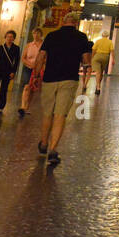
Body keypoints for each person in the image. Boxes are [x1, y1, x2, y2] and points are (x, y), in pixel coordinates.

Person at [35, 13, 92, 166]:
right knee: (60, 115)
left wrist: (35, 75)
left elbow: (41, 56)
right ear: (76, 23)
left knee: (47, 113)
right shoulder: (81, 37)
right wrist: (85, 71)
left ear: (64, 21)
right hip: (69, 79)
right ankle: (53, 149)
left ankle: (44, 143)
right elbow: (86, 61)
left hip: (49, 78)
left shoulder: (52, 36)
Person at [19, 27, 43, 116]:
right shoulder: (29, 45)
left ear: (41, 35)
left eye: (37, 33)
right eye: (34, 33)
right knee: (26, 86)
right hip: (28, 68)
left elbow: (45, 58)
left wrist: (38, 66)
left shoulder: (43, 45)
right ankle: (22, 106)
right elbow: (23, 58)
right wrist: (30, 64)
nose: (36, 35)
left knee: (32, 89)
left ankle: (27, 107)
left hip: (38, 69)